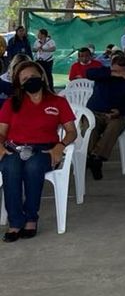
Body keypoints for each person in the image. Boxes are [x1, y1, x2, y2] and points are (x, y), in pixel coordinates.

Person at [0, 61, 77, 242]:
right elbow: (1, 132)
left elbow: (72, 131)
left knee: (33, 167)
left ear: (42, 77)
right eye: (24, 79)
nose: (30, 81)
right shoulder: (12, 103)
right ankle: (15, 222)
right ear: (19, 83)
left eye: (33, 77)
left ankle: (31, 218)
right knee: (11, 168)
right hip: (14, 147)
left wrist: (60, 146)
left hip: (46, 148)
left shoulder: (58, 102)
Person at [85, 54, 125, 180]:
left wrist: (121, 111)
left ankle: (96, 157)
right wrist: (113, 74)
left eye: (122, 71)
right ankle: (88, 157)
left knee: (114, 126)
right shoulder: (103, 74)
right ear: (111, 67)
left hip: (117, 115)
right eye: (116, 70)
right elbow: (89, 73)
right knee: (90, 127)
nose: (120, 74)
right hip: (95, 111)